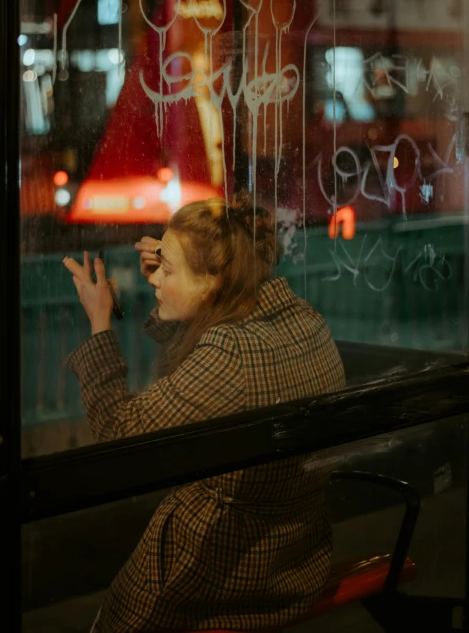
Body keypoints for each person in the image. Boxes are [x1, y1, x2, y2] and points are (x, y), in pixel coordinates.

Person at [62, 193, 345, 633]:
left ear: (213, 282)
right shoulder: (302, 318)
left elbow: (121, 434)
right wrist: (177, 278)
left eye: (167, 270)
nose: (154, 280)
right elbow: (210, 382)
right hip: (295, 560)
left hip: (226, 575)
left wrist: (100, 322)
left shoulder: (230, 351)